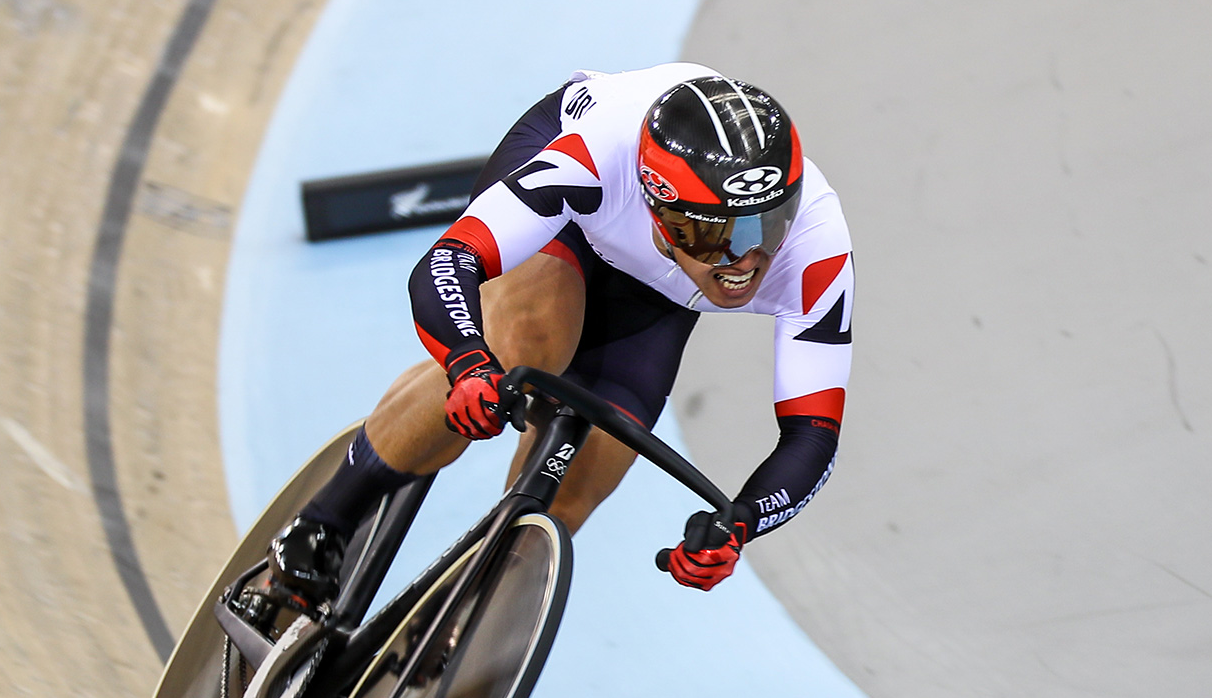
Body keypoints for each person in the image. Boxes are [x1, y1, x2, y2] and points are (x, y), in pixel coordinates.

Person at [266, 62, 853, 617]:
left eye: (767, 225)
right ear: (661, 212)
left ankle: (459, 629)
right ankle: (324, 521)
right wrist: (470, 364)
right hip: (578, 217)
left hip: (661, 283)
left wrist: (741, 523)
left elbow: (813, 434)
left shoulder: (816, 245)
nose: (745, 260)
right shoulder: (596, 159)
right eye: (714, 236)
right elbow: (447, 262)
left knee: (577, 486)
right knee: (525, 349)